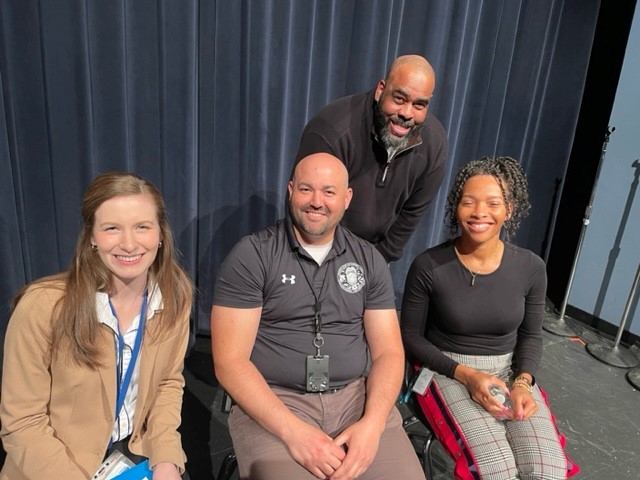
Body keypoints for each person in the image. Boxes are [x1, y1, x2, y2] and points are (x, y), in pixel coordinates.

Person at [211, 153, 425, 480]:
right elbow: (230, 361)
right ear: (290, 191)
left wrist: (373, 423)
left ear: (346, 198)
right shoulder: (252, 255)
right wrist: (293, 432)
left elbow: (389, 352)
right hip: (276, 404)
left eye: (328, 191)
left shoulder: (369, 260)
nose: (316, 202)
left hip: (357, 400)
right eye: (306, 189)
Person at [0, 172, 193, 480]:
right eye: (112, 228)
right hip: (57, 466)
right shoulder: (42, 307)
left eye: (142, 227)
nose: (129, 244)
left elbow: (167, 384)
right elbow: (22, 422)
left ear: (160, 233)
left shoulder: (175, 296)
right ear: (91, 237)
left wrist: (167, 459)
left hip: (135, 456)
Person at [401, 156, 579, 479]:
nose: (479, 213)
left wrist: (524, 383)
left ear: (509, 209)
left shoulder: (531, 268)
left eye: (492, 203)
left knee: (548, 470)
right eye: (468, 202)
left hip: (508, 370)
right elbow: (411, 338)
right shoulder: (429, 266)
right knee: (496, 471)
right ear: (456, 207)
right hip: (446, 370)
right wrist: (467, 376)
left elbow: (530, 336)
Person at [294, 54, 448, 262]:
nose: (406, 113)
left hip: (373, 259)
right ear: (380, 90)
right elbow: (308, 208)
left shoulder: (434, 145)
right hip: (315, 251)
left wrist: (374, 266)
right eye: (399, 99)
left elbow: (410, 215)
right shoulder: (332, 131)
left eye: (419, 105)